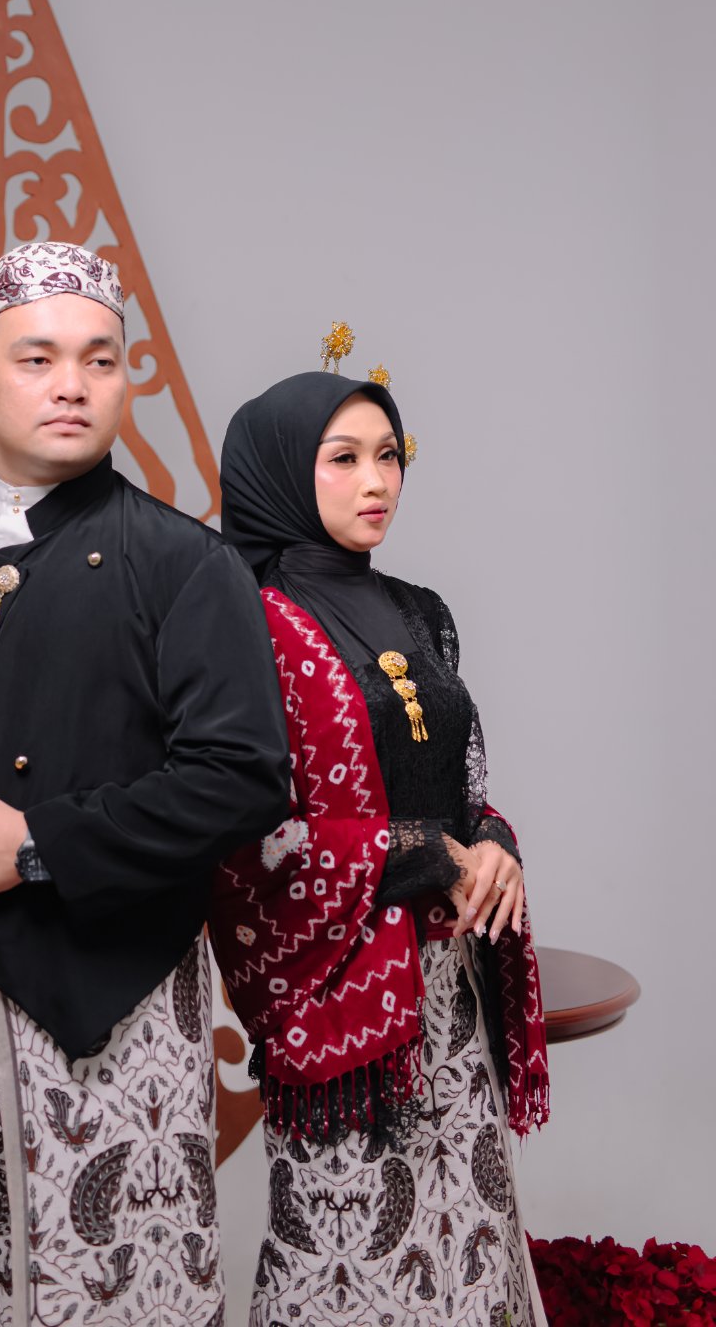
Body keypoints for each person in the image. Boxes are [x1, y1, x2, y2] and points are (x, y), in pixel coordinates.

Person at [0, 240, 291, 1327]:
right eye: (36, 359)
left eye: (99, 359)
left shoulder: (184, 562)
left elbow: (244, 778)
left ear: (125, 380)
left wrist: (35, 845)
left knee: (117, 1297)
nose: (71, 384)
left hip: (107, 1001)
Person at [208, 368, 549, 1327]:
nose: (377, 481)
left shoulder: (421, 610)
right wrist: (426, 854)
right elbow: (242, 837)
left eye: (389, 456)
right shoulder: (246, 625)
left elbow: (461, 789)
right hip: (345, 1001)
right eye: (345, 458)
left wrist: (492, 845)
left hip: (451, 987)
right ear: (283, 471)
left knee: (469, 1249)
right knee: (353, 1266)